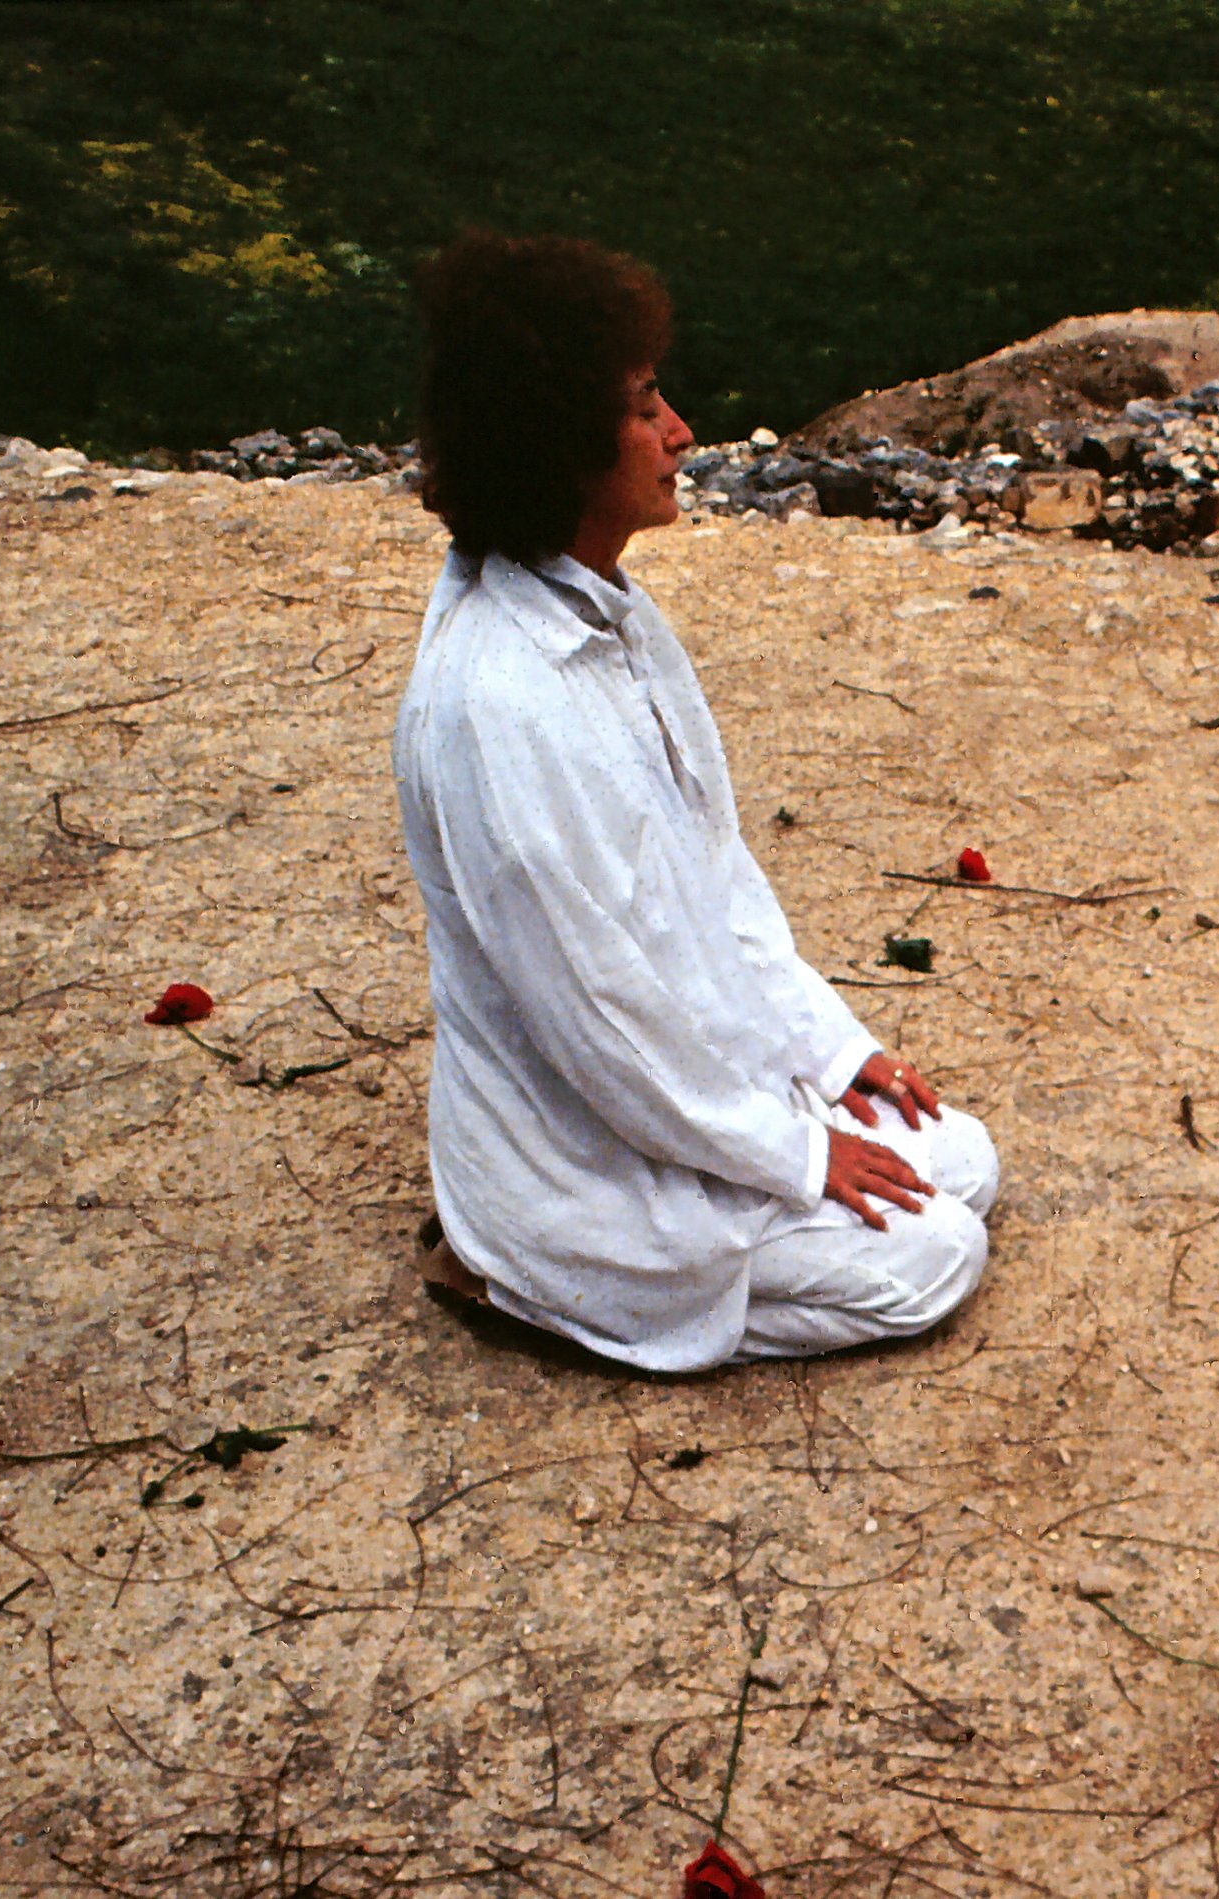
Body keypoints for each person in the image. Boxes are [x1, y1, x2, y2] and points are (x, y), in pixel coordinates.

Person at [390, 230, 998, 1372]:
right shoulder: (497, 708)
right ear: (558, 443)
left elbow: (716, 879)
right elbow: (596, 1019)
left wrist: (828, 1053)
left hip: (688, 1081)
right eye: (641, 408)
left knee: (962, 1160)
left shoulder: (608, 617)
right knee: (932, 1256)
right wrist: (793, 1154)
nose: (679, 434)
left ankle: (742, 1190)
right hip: (586, 1154)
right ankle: (527, 1275)